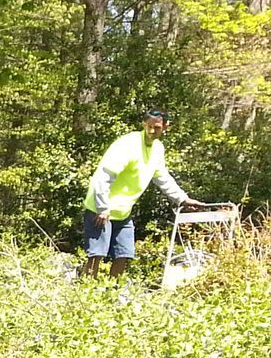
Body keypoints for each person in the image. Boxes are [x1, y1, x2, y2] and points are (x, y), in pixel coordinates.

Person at [80, 109, 208, 280]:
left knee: (124, 254)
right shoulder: (128, 144)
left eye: (156, 127)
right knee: (96, 254)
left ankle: (110, 293)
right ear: (144, 124)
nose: (152, 131)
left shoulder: (157, 149)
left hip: (123, 211)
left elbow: (162, 177)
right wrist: (103, 207)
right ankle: (85, 291)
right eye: (149, 126)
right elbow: (104, 176)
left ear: (166, 127)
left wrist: (182, 199)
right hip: (101, 208)